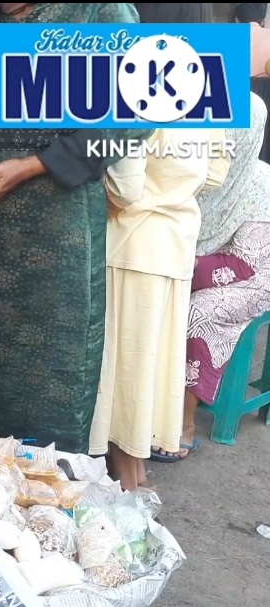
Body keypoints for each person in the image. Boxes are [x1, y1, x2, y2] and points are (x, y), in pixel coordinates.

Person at [0, 3, 153, 455]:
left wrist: (34, 165)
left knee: (48, 391)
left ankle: (43, 501)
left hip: (54, 246)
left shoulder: (99, 14)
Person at [91, 126, 220, 491]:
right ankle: (138, 472)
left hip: (133, 243)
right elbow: (215, 173)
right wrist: (173, 191)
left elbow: (125, 190)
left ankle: (127, 478)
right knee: (150, 367)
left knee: (125, 370)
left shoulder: (139, 96)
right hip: (176, 240)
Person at [148, 102, 270, 462]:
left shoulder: (260, 183)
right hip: (191, 261)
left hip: (251, 277)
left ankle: (180, 423)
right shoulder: (191, 170)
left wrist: (181, 266)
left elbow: (244, 263)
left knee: (196, 311)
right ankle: (141, 410)